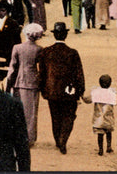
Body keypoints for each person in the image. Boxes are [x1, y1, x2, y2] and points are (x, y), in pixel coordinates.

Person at [37, 22, 85, 154]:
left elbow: (41, 73)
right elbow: (79, 73)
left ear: (54, 35)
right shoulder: (72, 53)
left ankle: (58, 139)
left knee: (55, 116)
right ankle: (64, 139)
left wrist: (42, 89)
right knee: (69, 116)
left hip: (51, 91)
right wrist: (81, 91)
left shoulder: (46, 52)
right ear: (65, 35)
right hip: (69, 91)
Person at [6, 23, 44, 146]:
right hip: (32, 82)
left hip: (19, 81)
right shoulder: (39, 49)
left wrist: (8, 83)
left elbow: (12, 67)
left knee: (17, 111)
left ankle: (16, 136)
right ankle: (29, 138)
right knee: (31, 112)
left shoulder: (17, 48)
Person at [81, 74, 117, 156]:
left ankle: (100, 149)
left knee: (100, 134)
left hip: (99, 119)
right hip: (109, 118)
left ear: (99, 83)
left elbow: (87, 100)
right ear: (110, 83)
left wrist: (82, 96)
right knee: (109, 132)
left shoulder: (96, 92)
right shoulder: (112, 93)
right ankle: (109, 147)